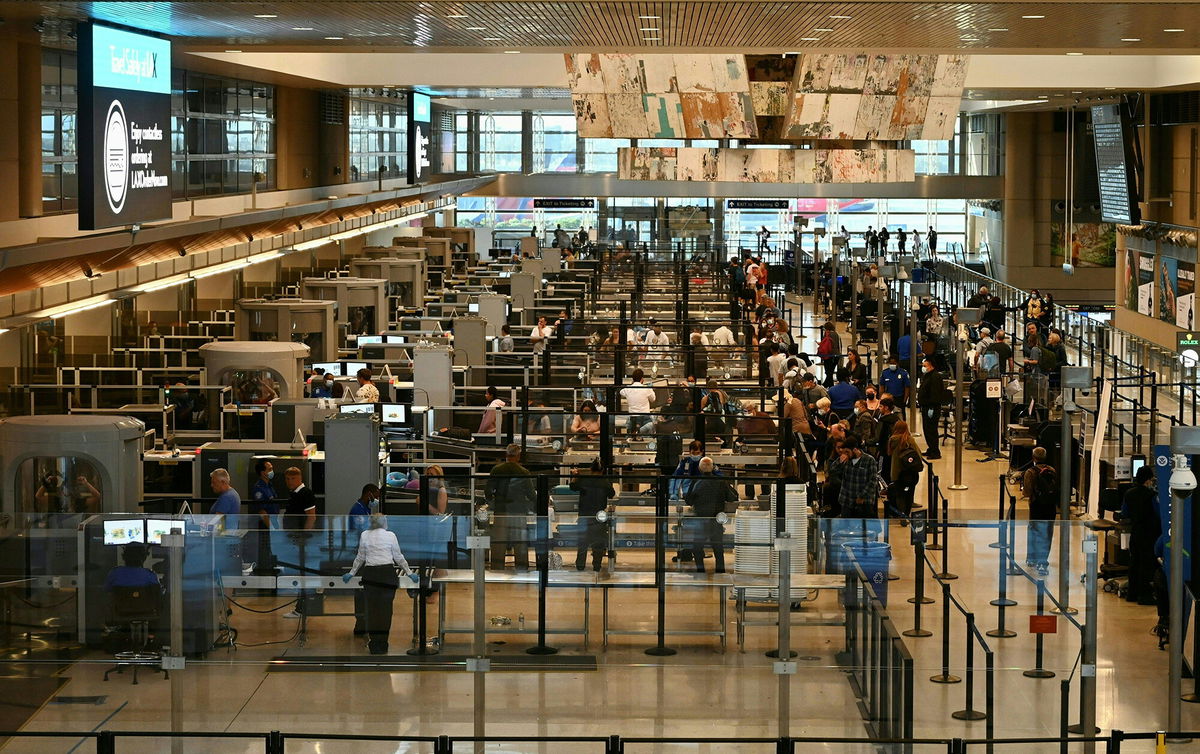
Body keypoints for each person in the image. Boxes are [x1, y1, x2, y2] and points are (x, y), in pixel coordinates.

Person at [343, 514, 416, 655]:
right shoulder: (391, 535)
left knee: (372, 610)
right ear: (384, 523)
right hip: (387, 574)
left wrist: (351, 573)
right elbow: (398, 557)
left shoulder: (365, 535)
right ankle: (383, 643)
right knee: (386, 610)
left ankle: (374, 643)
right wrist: (409, 572)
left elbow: (360, 557)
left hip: (370, 575)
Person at [685, 457, 738, 573]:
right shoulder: (721, 481)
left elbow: (689, 500)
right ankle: (720, 571)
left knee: (697, 547)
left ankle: (700, 570)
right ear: (713, 467)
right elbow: (732, 497)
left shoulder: (695, 481)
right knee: (718, 547)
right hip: (716, 519)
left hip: (700, 519)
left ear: (699, 468)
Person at [486, 444, 534, 571]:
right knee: (520, 542)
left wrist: (493, 503)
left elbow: (488, 491)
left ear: (506, 455)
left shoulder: (496, 470)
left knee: (499, 542)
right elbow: (531, 494)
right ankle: (522, 567)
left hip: (501, 510)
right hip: (518, 511)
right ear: (518, 456)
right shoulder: (524, 472)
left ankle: (497, 567)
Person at [281, 467, 319, 619]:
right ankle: (301, 607)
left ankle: (303, 607)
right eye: (287, 479)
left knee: (303, 573)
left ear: (299, 478)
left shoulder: (305, 494)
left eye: (292, 479)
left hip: (302, 542)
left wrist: (303, 537)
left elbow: (311, 517)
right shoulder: (294, 495)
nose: (290, 482)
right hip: (295, 540)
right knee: (300, 572)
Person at [1120, 466, 1160, 605]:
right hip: (1150, 533)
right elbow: (1158, 513)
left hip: (1135, 532)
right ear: (1148, 480)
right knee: (1147, 564)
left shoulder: (1129, 493)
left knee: (1135, 562)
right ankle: (1145, 596)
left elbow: (1125, 513)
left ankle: (1132, 594)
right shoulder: (1151, 496)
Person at [570, 460, 615, 571]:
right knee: (598, 543)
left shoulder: (584, 480)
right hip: (599, 517)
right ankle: (597, 566)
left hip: (584, 516)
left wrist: (576, 476)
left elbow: (572, 486)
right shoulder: (605, 482)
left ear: (590, 469)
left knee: (582, 543)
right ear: (602, 470)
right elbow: (612, 494)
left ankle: (580, 565)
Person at [1022, 447, 1059, 575]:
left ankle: (1032, 558)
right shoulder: (1052, 470)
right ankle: (1043, 561)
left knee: (1034, 531)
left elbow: (1027, 492)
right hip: (1050, 506)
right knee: (1047, 532)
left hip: (1036, 506)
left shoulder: (1030, 472)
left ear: (1033, 458)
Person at [827, 435, 880, 518]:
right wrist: (839, 461)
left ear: (855, 450)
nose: (845, 454)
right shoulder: (845, 460)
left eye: (847, 452)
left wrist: (861, 496)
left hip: (863, 502)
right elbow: (832, 471)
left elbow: (872, 481)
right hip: (847, 501)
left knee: (863, 529)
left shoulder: (869, 460)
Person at [885, 421, 923, 519]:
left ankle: (897, 512)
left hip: (896, 472)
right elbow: (918, 454)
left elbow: (889, 454)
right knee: (909, 494)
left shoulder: (892, 440)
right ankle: (906, 513)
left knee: (899, 493)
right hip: (910, 473)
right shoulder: (909, 440)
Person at [917, 358, 945, 459]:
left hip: (931, 408)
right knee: (927, 429)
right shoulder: (928, 376)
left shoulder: (935, 377)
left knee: (931, 430)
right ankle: (931, 449)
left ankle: (935, 452)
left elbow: (935, 394)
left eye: (925, 366)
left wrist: (932, 407)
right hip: (926, 407)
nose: (923, 368)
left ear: (931, 365)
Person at [620, 368, 656, 436]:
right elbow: (653, 399)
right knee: (646, 437)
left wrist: (632, 384)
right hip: (645, 416)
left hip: (633, 416)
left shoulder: (627, 389)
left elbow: (621, 392)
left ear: (633, 379)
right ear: (642, 378)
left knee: (634, 437)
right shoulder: (647, 389)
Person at [816, 322, 840, 387]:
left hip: (829, 355)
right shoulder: (836, 334)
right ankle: (827, 385)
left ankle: (827, 385)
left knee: (828, 372)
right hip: (836, 355)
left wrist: (820, 344)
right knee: (830, 372)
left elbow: (826, 345)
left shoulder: (827, 334)